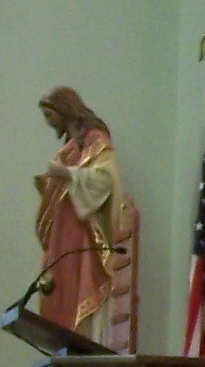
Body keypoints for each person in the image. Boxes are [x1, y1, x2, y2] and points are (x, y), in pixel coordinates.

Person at [34, 86, 139, 350]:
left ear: (64, 109)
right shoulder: (70, 147)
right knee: (61, 300)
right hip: (63, 242)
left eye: (49, 115)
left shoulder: (96, 140)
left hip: (83, 240)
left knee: (82, 303)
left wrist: (66, 174)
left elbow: (105, 181)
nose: (48, 123)